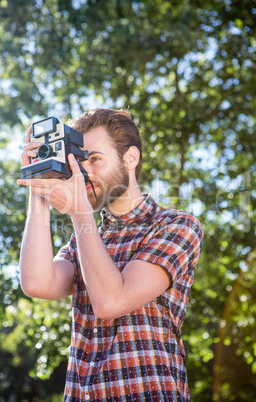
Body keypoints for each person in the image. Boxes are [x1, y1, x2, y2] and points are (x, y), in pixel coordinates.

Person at [18, 108, 203, 402]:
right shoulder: (86, 237)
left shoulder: (176, 226)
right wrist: (38, 186)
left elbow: (111, 301)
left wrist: (79, 212)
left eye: (94, 159)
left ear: (130, 158)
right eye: (79, 162)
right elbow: (38, 283)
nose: (84, 171)